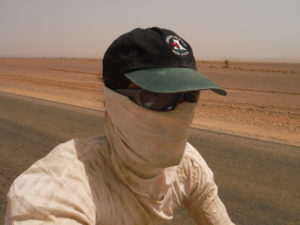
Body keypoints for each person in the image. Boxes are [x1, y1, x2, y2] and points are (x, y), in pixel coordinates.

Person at [5, 27, 234, 225]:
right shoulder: (57, 188)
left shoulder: (188, 166)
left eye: (190, 96)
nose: (180, 111)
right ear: (112, 99)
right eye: (157, 96)